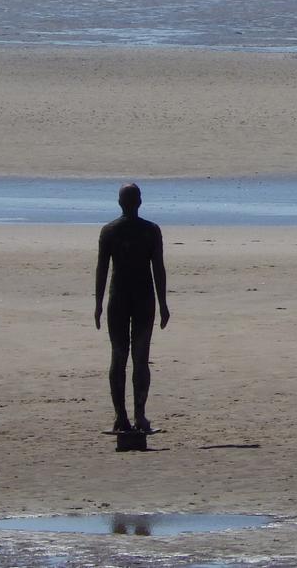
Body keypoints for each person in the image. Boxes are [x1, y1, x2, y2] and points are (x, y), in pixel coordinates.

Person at [95, 182, 170, 434]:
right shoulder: (150, 230)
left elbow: (102, 270)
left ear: (119, 203)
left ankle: (123, 417)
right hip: (143, 299)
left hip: (118, 299)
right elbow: (158, 269)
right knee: (138, 359)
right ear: (139, 202)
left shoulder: (109, 231)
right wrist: (163, 303)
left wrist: (98, 304)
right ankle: (138, 416)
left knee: (119, 357)